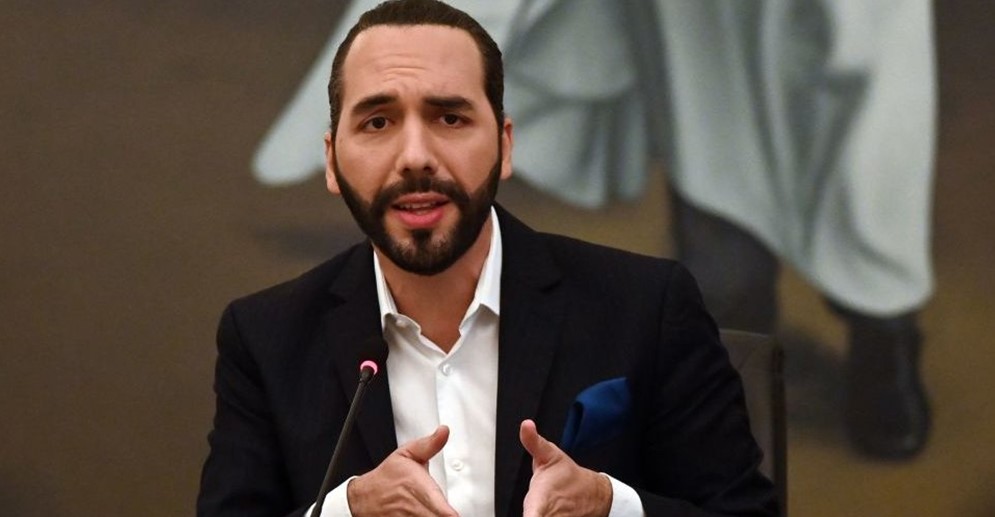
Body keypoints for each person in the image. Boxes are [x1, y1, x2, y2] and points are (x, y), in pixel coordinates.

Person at [198, 1, 777, 515]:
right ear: (331, 160)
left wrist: (610, 505)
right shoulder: (267, 337)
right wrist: (347, 512)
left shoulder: (644, 306)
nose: (415, 156)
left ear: (504, 144)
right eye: (378, 122)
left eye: (450, 118)